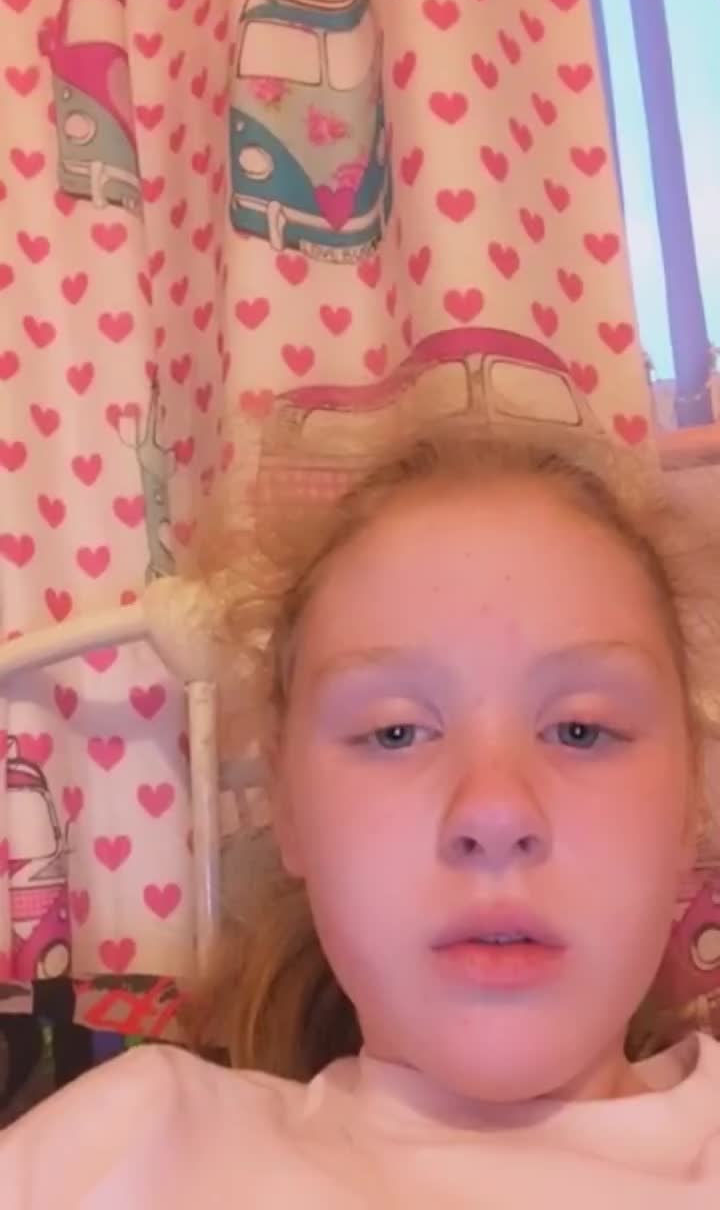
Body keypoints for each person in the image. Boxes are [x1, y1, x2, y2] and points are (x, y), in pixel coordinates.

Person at [2, 414, 720, 1206]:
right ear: (289, 808)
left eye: (580, 730)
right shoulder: (126, 1148)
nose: (493, 813)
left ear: (691, 799)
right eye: (395, 732)